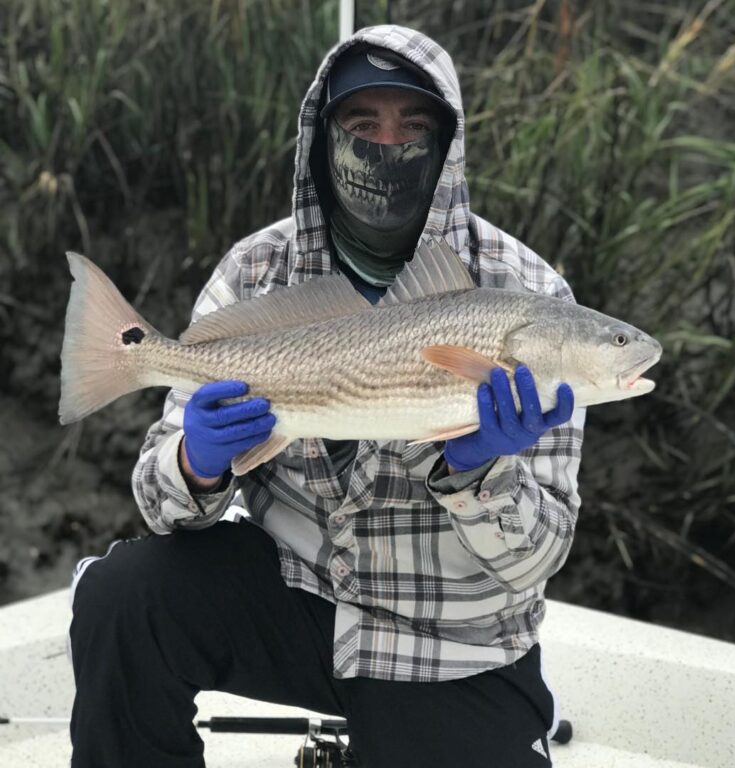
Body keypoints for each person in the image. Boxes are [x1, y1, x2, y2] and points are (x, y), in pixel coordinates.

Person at [69, 24, 584, 768]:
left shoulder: (529, 293)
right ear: (323, 136)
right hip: (296, 596)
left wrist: (479, 475)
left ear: (447, 143)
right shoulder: (258, 269)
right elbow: (161, 506)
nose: (388, 142)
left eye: (413, 124)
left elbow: (539, 559)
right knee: (125, 596)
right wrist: (197, 463)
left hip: (451, 642)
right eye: (361, 122)